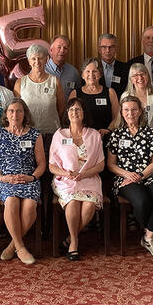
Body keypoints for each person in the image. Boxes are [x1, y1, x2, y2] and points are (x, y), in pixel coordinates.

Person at [107, 96, 153, 258]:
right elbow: (111, 164)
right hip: (125, 178)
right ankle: (152, 232)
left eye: (134, 109)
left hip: (149, 175)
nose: (130, 113)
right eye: (126, 109)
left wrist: (141, 175)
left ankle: (148, 237)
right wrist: (129, 175)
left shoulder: (150, 133)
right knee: (142, 201)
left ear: (140, 111)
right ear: (121, 112)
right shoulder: (116, 135)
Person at [0, 99, 46, 265]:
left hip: (29, 180)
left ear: (25, 114)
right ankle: (20, 247)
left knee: (29, 205)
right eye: (11, 111)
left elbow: (41, 164)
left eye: (19, 111)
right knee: (11, 201)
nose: (15, 114)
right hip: (5, 180)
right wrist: (2, 178)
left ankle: (12, 246)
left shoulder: (35, 134)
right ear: (6, 114)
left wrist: (32, 177)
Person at [49, 98, 105, 260]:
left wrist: (84, 174)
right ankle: (74, 242)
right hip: (66, 180)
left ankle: (69, 238)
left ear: (84, 113)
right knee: (72, 202)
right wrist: (67, 174)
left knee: (88, 206)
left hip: (89, 178)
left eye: (78, 109)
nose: (74, 112)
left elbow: (100, 165)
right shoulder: (59, 135)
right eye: (71, 109)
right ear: (67, 113)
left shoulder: (94, 135)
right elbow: (52, 166)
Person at [14, 44, 64, 134]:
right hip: (27, 133)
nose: (37, 62)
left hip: (51, 131)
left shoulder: (55, 81)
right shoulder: (20, 83)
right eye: (33, 59)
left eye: (40, 58)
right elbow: (16, 109)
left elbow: (61, 108)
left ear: (46, 59)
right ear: (29, 61)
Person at [68, 58, 119, 137]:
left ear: (100, 74)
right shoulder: (75, 94)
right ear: (82, 75)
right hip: (83, 138)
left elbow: (117, 116)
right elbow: (70, 117)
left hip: (105, 137)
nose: (91, 74)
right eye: (87, 71)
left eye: (95, 71)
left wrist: (108, 130)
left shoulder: (110, 92)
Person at [120, 63, 153, 132]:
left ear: (148, 76)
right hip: (131, 137)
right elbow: (122, 121)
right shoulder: (125, 96)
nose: (140, 78)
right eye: (135, 75)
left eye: (142, 74)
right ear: (131, 79)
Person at [45, 35, 81, 100]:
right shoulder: (42, 71)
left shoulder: (73, 72)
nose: (62, 51)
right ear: (51, 50)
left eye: (65, 48)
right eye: (59, 47)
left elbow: (79, 95)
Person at [97, 33, 129, 98]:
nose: (108, 50)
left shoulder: (125, 68)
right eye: (104, 47)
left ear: (116, 49)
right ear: (99, 49)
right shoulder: (93, 68)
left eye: (111, 47)